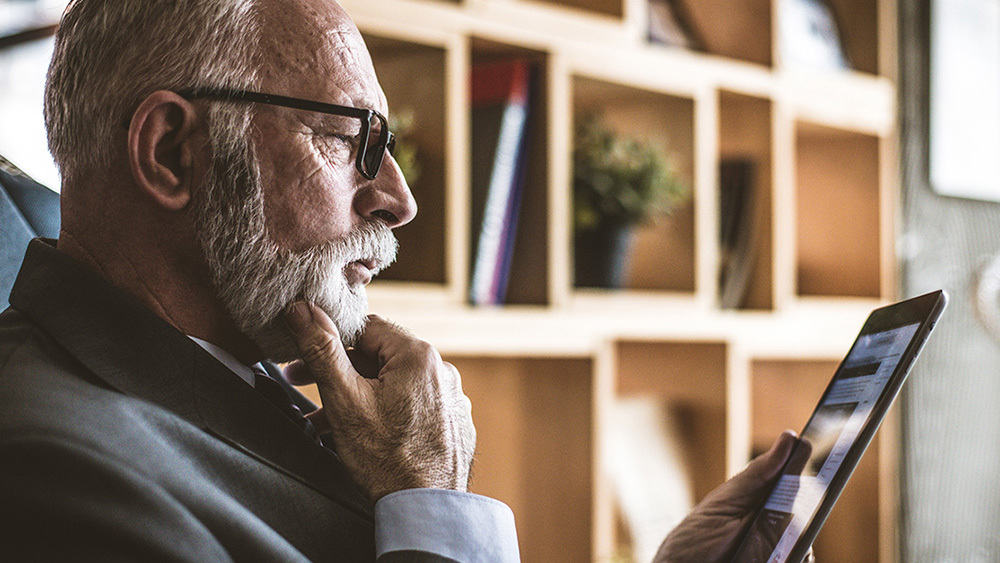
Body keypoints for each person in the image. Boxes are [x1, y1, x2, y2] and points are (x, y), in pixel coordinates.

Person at [0, 0, 799, 560]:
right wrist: (434, 508)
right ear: (173, 152)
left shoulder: (228, 373)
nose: (400, 200)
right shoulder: (50, 472)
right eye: (352, 140)